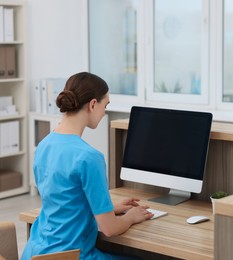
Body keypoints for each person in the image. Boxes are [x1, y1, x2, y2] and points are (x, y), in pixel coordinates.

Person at [21, 72, 153, 259]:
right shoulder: (89, 157)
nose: (104, 112)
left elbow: (64, 201)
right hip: (70, 256)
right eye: (105, 105)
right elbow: (110, 229)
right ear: (92, 104)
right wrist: (130, 217)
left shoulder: (44, 145)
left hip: (35, 251)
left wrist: (109, 209)